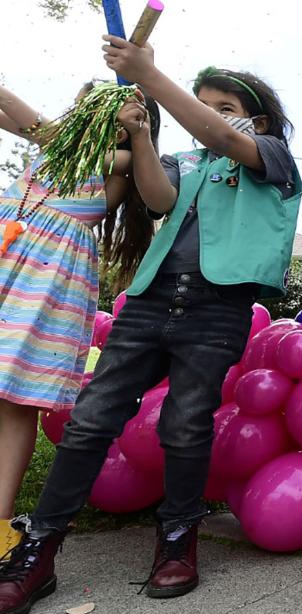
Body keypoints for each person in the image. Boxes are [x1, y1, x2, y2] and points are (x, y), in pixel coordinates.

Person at [0, 36, 302, 614]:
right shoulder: (183, 163)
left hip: (217, 309)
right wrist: (140, 135)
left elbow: (221, 137)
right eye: (203, 103)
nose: (211, 116)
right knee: (90, 421)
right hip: (148, 302)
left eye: (226, 106)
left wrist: (147, 73)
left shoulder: (270, 158)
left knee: (186, 424)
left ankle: (176, 538)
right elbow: (158, 197)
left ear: (255, 120)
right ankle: (39, 547)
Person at [0, 80, 159, 556]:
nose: (81, 110)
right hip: (9, 261)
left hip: (44, 288)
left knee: (16, 402)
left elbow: (24, 114)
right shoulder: (53, 144)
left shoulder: (118, 163)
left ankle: (1, 522)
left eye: (99, 107)